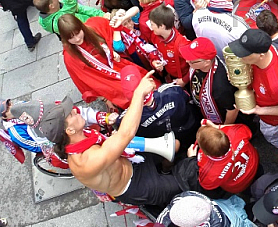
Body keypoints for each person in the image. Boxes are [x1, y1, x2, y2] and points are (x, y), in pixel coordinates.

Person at [45, 70, 184, 207]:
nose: (75, 110)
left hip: (132, 161)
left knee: (175, 145)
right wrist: (138, 94)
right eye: (71, 114)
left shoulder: (81, 135)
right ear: (69, 130)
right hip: (136, 185)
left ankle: (166, 169)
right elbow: (126, 133)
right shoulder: (85, 162)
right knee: (183, 183)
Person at [228, 29, 278, 151]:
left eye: (244, 53)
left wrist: (258, 110)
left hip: (274, 123)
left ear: (261, 55)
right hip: (268, 106)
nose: (239, 56)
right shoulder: (269, 48)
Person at [57, 14, 148, 109]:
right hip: (104, 81)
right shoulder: (70, 57)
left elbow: (110, 30)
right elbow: (83, 80)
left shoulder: (94, 26)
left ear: (81, 26)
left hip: (117, 64)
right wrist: (105, 98)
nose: (77, 39)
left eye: (78, 33)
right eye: (71, 38)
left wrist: (112, 50)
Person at [179, 37, 239, 126]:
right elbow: (192, 71)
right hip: (200, 108)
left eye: (192, 61)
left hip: (217, 119)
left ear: (206, 62)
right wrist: (184, 80)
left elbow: (232, 110)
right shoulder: (200, 65)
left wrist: (223, 128)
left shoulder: (221, 86)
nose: (187, 61)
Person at [156, 191, 256, 227]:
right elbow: (169, 209)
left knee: (249, 226)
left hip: (232, 225)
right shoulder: (185, 197)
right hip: (221, 206)